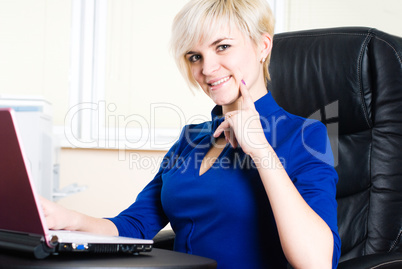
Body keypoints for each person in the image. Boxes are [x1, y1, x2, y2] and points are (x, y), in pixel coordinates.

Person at [41, 0, 341, 268]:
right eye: (194, 56)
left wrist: (261, 150)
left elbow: (316, 261)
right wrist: (66, 218)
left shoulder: (303, 135)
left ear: (263, 46)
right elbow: (134, 224)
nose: (207, 68)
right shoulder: (191, 139)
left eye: (222, 46)